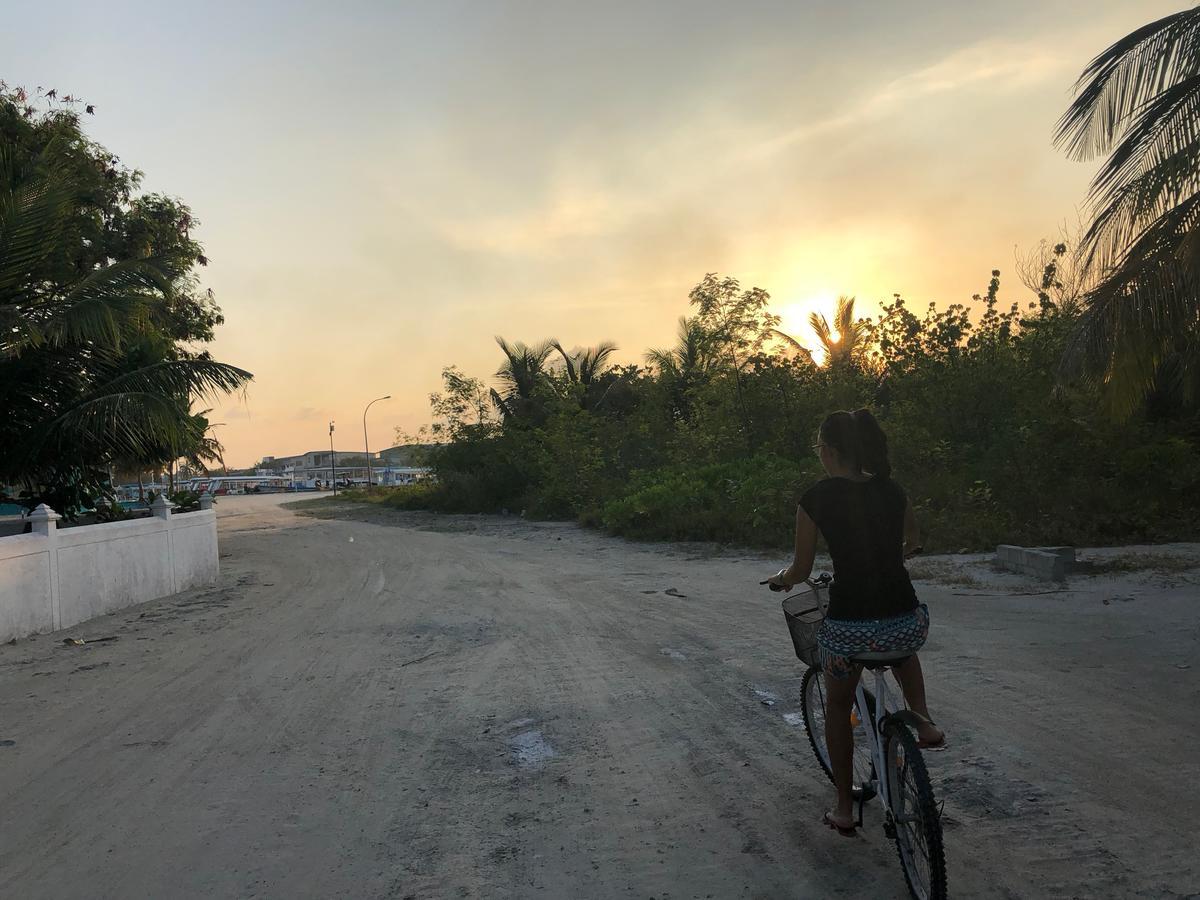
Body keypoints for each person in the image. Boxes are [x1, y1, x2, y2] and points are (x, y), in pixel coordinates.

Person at [766, 409, 944, 836]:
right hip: (905, 620)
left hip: (849, 628)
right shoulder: (892, 490)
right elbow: (914, 540)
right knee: (902, 645)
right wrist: (897, 553)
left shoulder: (815, 499)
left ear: (828, 452)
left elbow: (801, 567)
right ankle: (922, 720)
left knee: (839, 708)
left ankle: (845, 808)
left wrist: (782, 581)